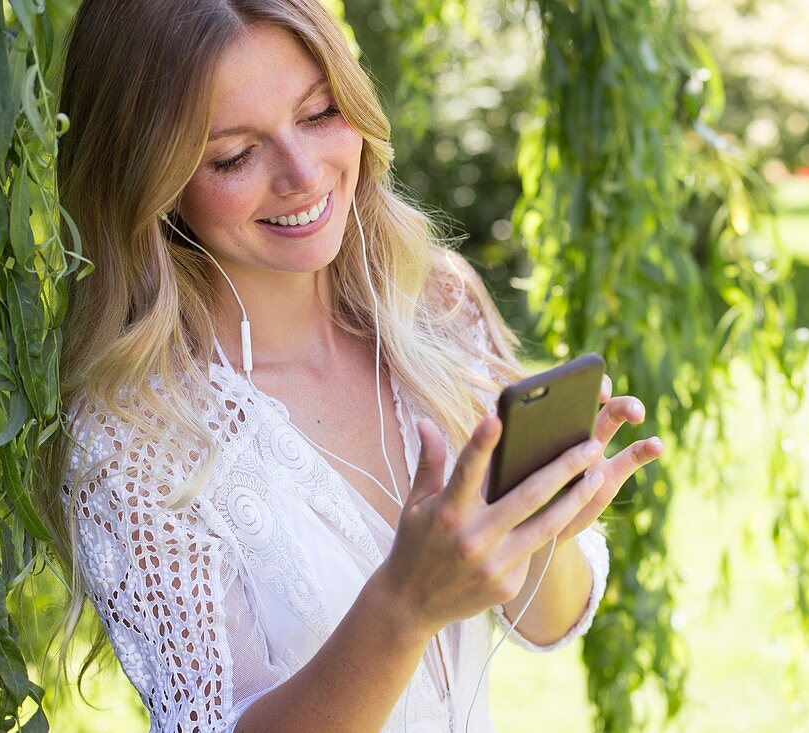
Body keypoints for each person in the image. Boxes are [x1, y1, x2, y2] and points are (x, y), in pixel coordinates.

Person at [41, 1, 664, 731]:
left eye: (318, 114)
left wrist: (545, 526)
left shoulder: (435, 302)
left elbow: (545, 621)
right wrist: (403, 608)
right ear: (149, 180)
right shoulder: (128, 435)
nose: (303, 174)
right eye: (235, 156)